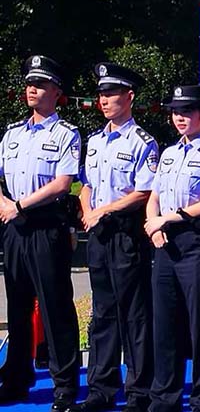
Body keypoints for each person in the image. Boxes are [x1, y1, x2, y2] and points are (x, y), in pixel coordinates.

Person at [70, 63, 159, 412]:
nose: (104, 100)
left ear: (129, 96)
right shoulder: (94, 140)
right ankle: (101, 388)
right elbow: (87, 183)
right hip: (99, 235)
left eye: (111, 93)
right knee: (102, 313)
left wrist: (103, 211)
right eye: (102, 94)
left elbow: (143, 191)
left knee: (134, 314)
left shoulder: (142, 142)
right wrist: (88, 208)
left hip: (125, 233)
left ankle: (138, 391)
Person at [143, 85, 200, 412]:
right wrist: (153, 226)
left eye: (187, 111)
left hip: (196, 243)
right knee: (164, 323)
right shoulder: (167, 154)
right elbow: (153, 197)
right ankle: (163, 397)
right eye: (175, 112)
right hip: (164, 243)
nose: (179, 117)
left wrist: (167, 218)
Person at [0, 54, 81, 411]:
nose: (33, 89)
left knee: (55, 306)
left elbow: (63, 183)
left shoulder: (66, 134)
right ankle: (17, 378)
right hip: (14, 226)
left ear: (56, 92)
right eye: (30, 83)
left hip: (46, 224)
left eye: (42, 84)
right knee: (17, 307)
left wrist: (19, 205)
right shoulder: (12, 133)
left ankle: (65, 385)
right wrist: (5, 204)